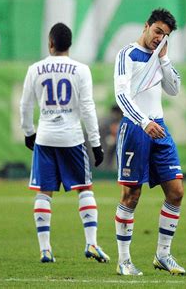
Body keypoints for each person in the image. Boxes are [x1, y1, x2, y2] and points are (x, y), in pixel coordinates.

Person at [20, 23, 110, 264]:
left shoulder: (35, 69)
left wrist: (29, 132)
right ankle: (91, 244)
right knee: (85, 189)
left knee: (44, 192)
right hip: (72, 138)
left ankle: (45, 250)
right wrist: (96, 143)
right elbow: (87, 108)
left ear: (50, 43)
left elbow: (25, 105)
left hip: (45, 137)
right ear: (69, 45)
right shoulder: (81, 70)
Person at [112, 8, 185, 276]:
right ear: (146, 26)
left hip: (160, 128)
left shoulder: (160, 56)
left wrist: (164, 60)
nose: (159, 38)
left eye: (165, 36)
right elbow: (121, 96)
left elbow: (174, 89)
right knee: (132, 195)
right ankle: (123, 261)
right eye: (157, 32)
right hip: (135, 127)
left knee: (176, 192)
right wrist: (143, 122)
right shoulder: (126, 55)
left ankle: (163, 255)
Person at [99, 104, 123, 171]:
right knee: (109, 155)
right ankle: (107, 170)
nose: (115, 114)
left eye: (117, 112)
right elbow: (106, 130)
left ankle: (119, 170)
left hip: (121, 141)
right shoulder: (110, 120)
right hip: (112, 140)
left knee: (121, 157)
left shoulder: (123, 119)